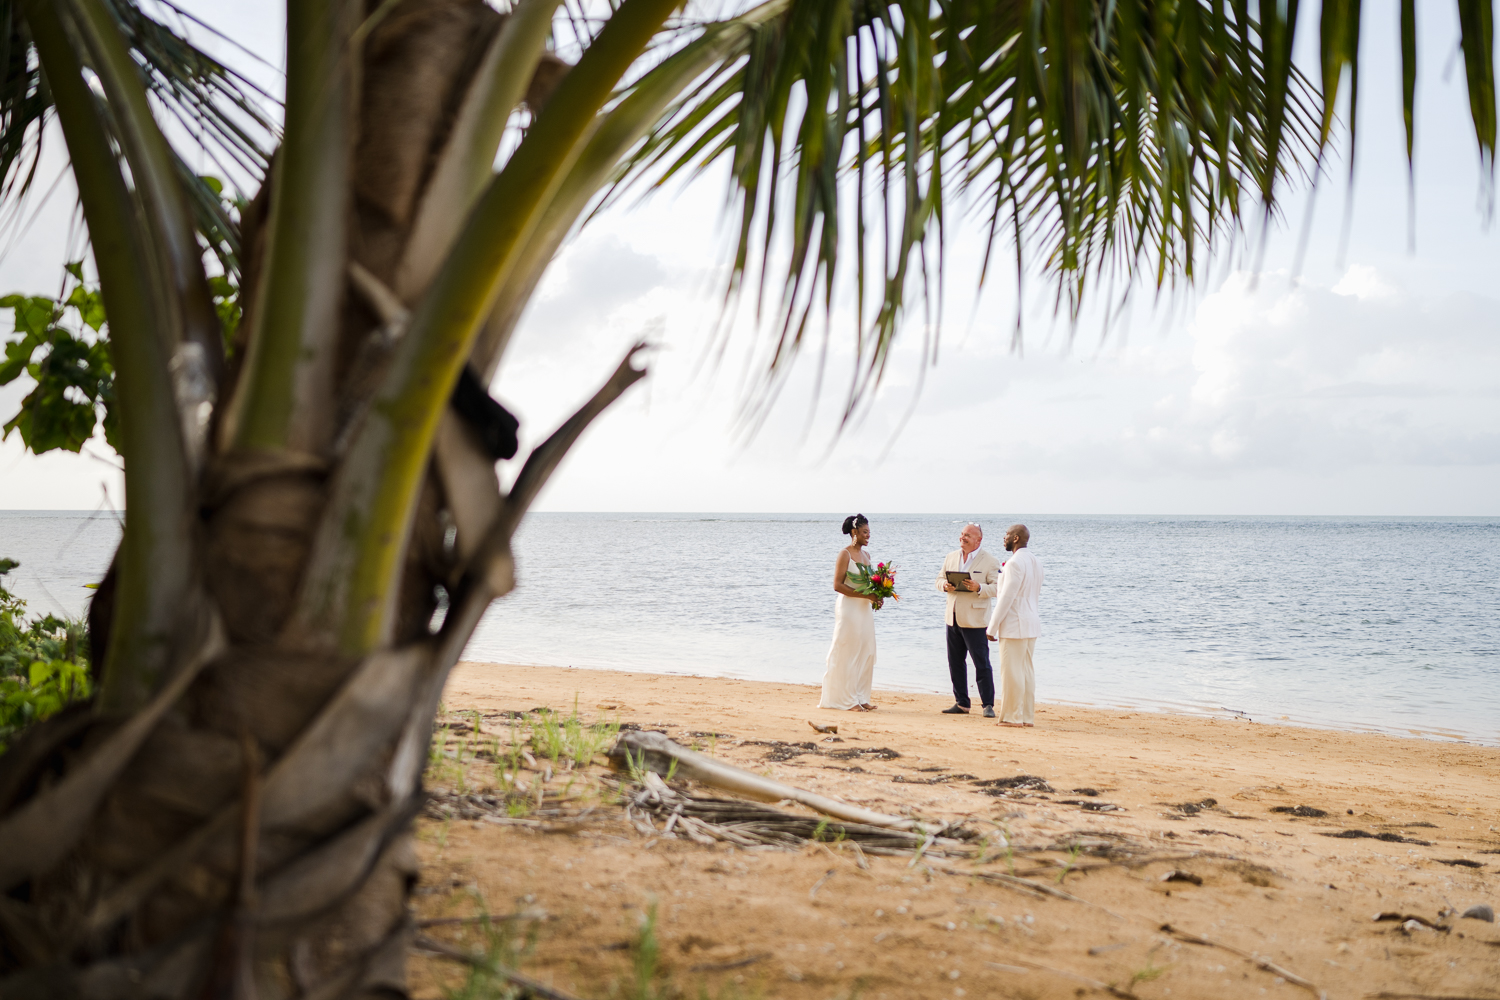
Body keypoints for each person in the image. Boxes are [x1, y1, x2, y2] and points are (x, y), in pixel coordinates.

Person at [935, 522, 1001, 716]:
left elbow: (998, 588)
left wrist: (978, 587)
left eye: (967, 536)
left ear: (978, 540)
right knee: (955, 662)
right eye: (962, 534)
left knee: (982, 663)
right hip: (952, 617)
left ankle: (988, 704)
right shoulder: (951, 556)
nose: (962, 538)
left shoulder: (990, 561)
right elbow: (938, 580)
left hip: (975, 619)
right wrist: (944, 586)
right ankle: (962, 702)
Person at [820, 514, 879, 711]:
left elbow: (870, 586)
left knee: (866, 650)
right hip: (849, 608)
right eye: (864, 532)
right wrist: (865, 596)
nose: (868, 536)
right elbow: (837, 585)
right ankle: (845, 699)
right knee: (848, 650)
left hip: (864, 610)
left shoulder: (867, 556)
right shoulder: (844, 554)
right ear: (854, 533)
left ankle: (861, 696)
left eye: (869, 532)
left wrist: (877, 596)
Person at [987, 523, 1043, 727]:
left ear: (1016, 538)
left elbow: (1006, 598)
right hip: (1031, 621)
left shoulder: (1013, 563)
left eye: (1007, 534)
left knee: (1011, 672)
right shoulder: (1036, 561)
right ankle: (1026, 717)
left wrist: (992, 627)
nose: (1004, 537)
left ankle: (1012, 716)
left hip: (1014, 623)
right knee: (1026, 671)